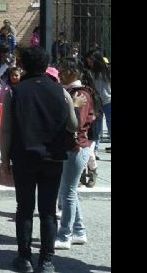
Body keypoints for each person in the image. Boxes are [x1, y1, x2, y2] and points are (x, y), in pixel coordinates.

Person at [0, 46, 78, 273]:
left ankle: (24, 259)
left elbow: (6, 130)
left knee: (24, 208)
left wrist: (4, 159)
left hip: (24, 157)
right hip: (53, 158)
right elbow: (73, 125)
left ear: (23, 65)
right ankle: (46, 261)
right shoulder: (60, 91)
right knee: (48, 210)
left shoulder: (15, 92)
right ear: (46, 65)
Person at [54, 57, 96, 251]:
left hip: (76, 148)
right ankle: (79, 231)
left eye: (64, 70)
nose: (60, 73)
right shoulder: (70, 92)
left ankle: (65, 235)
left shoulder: (80, 94)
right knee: (69, 192)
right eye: (60, 69)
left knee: (67, 194)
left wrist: (71, 106)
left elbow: (76, 124)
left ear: (75, 72)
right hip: (70, 147)